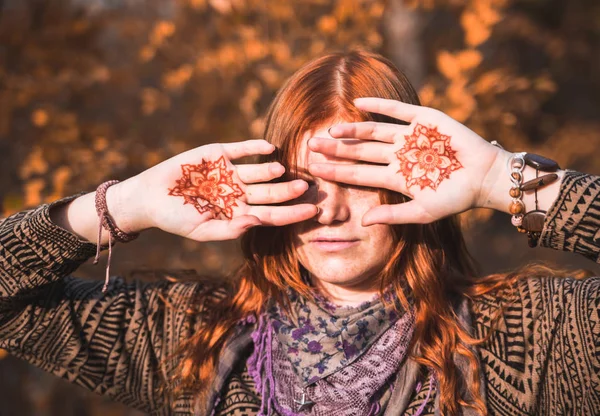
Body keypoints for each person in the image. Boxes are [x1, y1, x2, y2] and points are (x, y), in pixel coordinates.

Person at [0, 50, 598, 416]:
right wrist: (122, 206)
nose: (328, 211)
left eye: (360, 178)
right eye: (304, 182)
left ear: (416, 185)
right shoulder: (198, 338)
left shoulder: (532, 335)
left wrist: (508, 180)